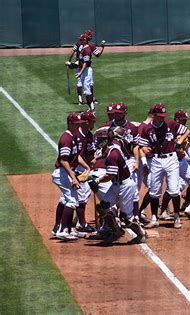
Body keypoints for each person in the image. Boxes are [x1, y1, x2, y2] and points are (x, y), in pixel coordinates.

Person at [90, 126, 147, 245]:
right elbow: (107, 151)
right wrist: (97, 158)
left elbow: (110, 175)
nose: (97, 141)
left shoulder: (113, 155)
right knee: (102, 208)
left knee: (126, 218)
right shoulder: (112, 147)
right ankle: (116, 230)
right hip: (116, 186)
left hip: (125, 186)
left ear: (106, 140)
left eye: (100, 139)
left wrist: (97, 180)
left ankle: (141, 234)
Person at [139, 104, 190, 229]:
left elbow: (186, 130)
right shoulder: (147, 129)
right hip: (156, 160)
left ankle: (177, 217)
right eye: (160, 116)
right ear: (154, 115)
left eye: (164, 116)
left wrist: (180, 140)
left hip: (171, 159)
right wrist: (146, 151)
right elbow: (142, 146)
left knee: (174, 189)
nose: (163, 118)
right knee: (154, 191)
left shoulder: (171, 124)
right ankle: (155, 218)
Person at [51, 113, 90, 241]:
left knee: (74, 200)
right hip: (62, 172)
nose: (78, 126)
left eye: (79, 124)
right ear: (69, 123)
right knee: (72, 201)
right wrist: (73, 177)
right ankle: (62, 230)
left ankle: (67, 229)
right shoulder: (66, 138)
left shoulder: (74, 137)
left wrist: (87, 167)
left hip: (66, 172)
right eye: (76, 124)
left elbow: (77, 156)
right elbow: (64, 160)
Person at [76, 31, 105, 111]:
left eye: (81, 40)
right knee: (86, 90)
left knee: (87, 90)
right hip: (84, 70)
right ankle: (91, 108)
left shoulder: (87, 49)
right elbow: (81, 61)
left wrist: (80, 73)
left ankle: (92, 108)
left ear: (85, 40)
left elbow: (85, 63)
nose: (80, 41)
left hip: (86, 71)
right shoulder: (83, 47)